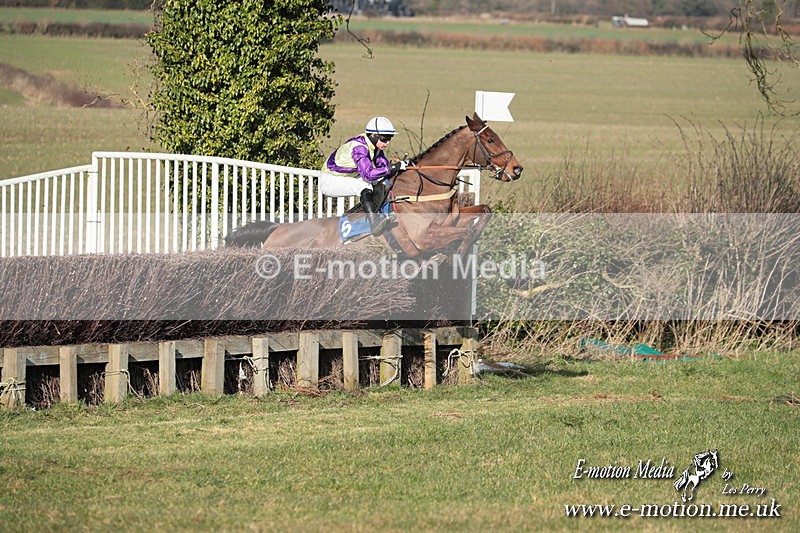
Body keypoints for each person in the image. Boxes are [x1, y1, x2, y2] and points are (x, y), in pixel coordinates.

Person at [319, 116, 408, 235]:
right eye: (384, 138)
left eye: (389, 138)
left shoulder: (375, 146)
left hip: (345, 177)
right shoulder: (359, 148)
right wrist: (392, 168)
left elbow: (383, 167)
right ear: (373, 135)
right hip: (330, 180)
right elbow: (368, 175)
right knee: (363, 186)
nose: (387, 143)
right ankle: (374, 223)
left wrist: (401, 167)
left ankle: (383, 212)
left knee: (380, 180)